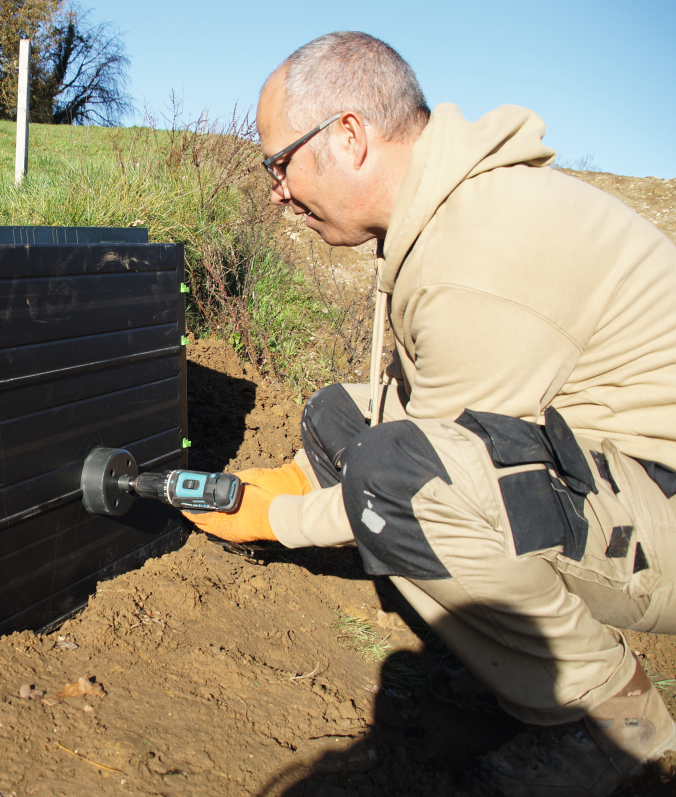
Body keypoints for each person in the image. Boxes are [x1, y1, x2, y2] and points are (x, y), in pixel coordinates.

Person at [185, 30, 676, 797]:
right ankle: (496, 632)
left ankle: (611, 721)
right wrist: (294, 476)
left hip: (657, 508)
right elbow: (426, 415)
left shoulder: (481, 249)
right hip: (600, 470)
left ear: (348, 137)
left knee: (395, 480)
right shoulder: (445, 213)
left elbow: (424, 470)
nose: (277, 191)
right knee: (341, 419)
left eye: (280, 165)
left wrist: (275, 518)